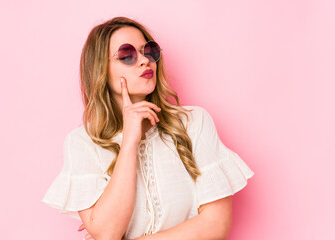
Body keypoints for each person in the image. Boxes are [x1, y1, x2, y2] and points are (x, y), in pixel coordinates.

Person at [41, 16, 254, 240]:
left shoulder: (193, 123)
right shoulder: (82, 143)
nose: (145, 60)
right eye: (127, 55)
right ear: (100, 69)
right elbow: (107, 233)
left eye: (149, 50)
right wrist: (129, 143)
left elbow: (216, 225)